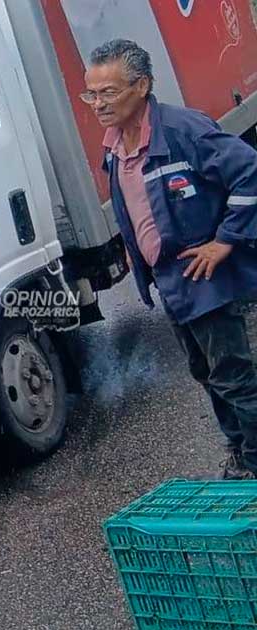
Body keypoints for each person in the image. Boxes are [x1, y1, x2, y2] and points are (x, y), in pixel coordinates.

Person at [84, 39, 257, 479]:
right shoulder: (114, 145)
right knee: (206, 371)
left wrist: (225, 240)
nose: (98, 104)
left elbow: (250, 172)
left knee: (233, 375)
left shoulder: (184, 131)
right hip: (171, 282)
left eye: (109, 92)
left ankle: (253, 466)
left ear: (142, 86)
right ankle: (239, 454)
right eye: (92, 94)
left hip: (204, 276)